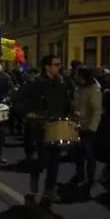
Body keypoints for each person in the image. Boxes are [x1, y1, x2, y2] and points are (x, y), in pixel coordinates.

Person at [24, 55, 71, 203]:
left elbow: (66, 101)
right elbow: (19, 99)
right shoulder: (35, 83)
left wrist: (70, 113)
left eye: (59, 64)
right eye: (56, 64)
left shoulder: (62, 82)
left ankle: (49, 190)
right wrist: (28, 113)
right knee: (44, 159)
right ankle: (35, 173)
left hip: (58, 125)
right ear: (47, 67)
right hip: (41, 126)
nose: (59, 67)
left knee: (55, 161)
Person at [70, 67, 102, 191]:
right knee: (78, 153)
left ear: (83, 76)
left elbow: (97, 111)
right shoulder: (79, 87)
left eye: (78, 74)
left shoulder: (94, 90)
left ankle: (90, 179)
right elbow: (75, 105)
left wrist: (92, 128)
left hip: (88, 128)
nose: (75, 76)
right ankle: (79, 175)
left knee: (89, 155)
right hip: (77, 125)